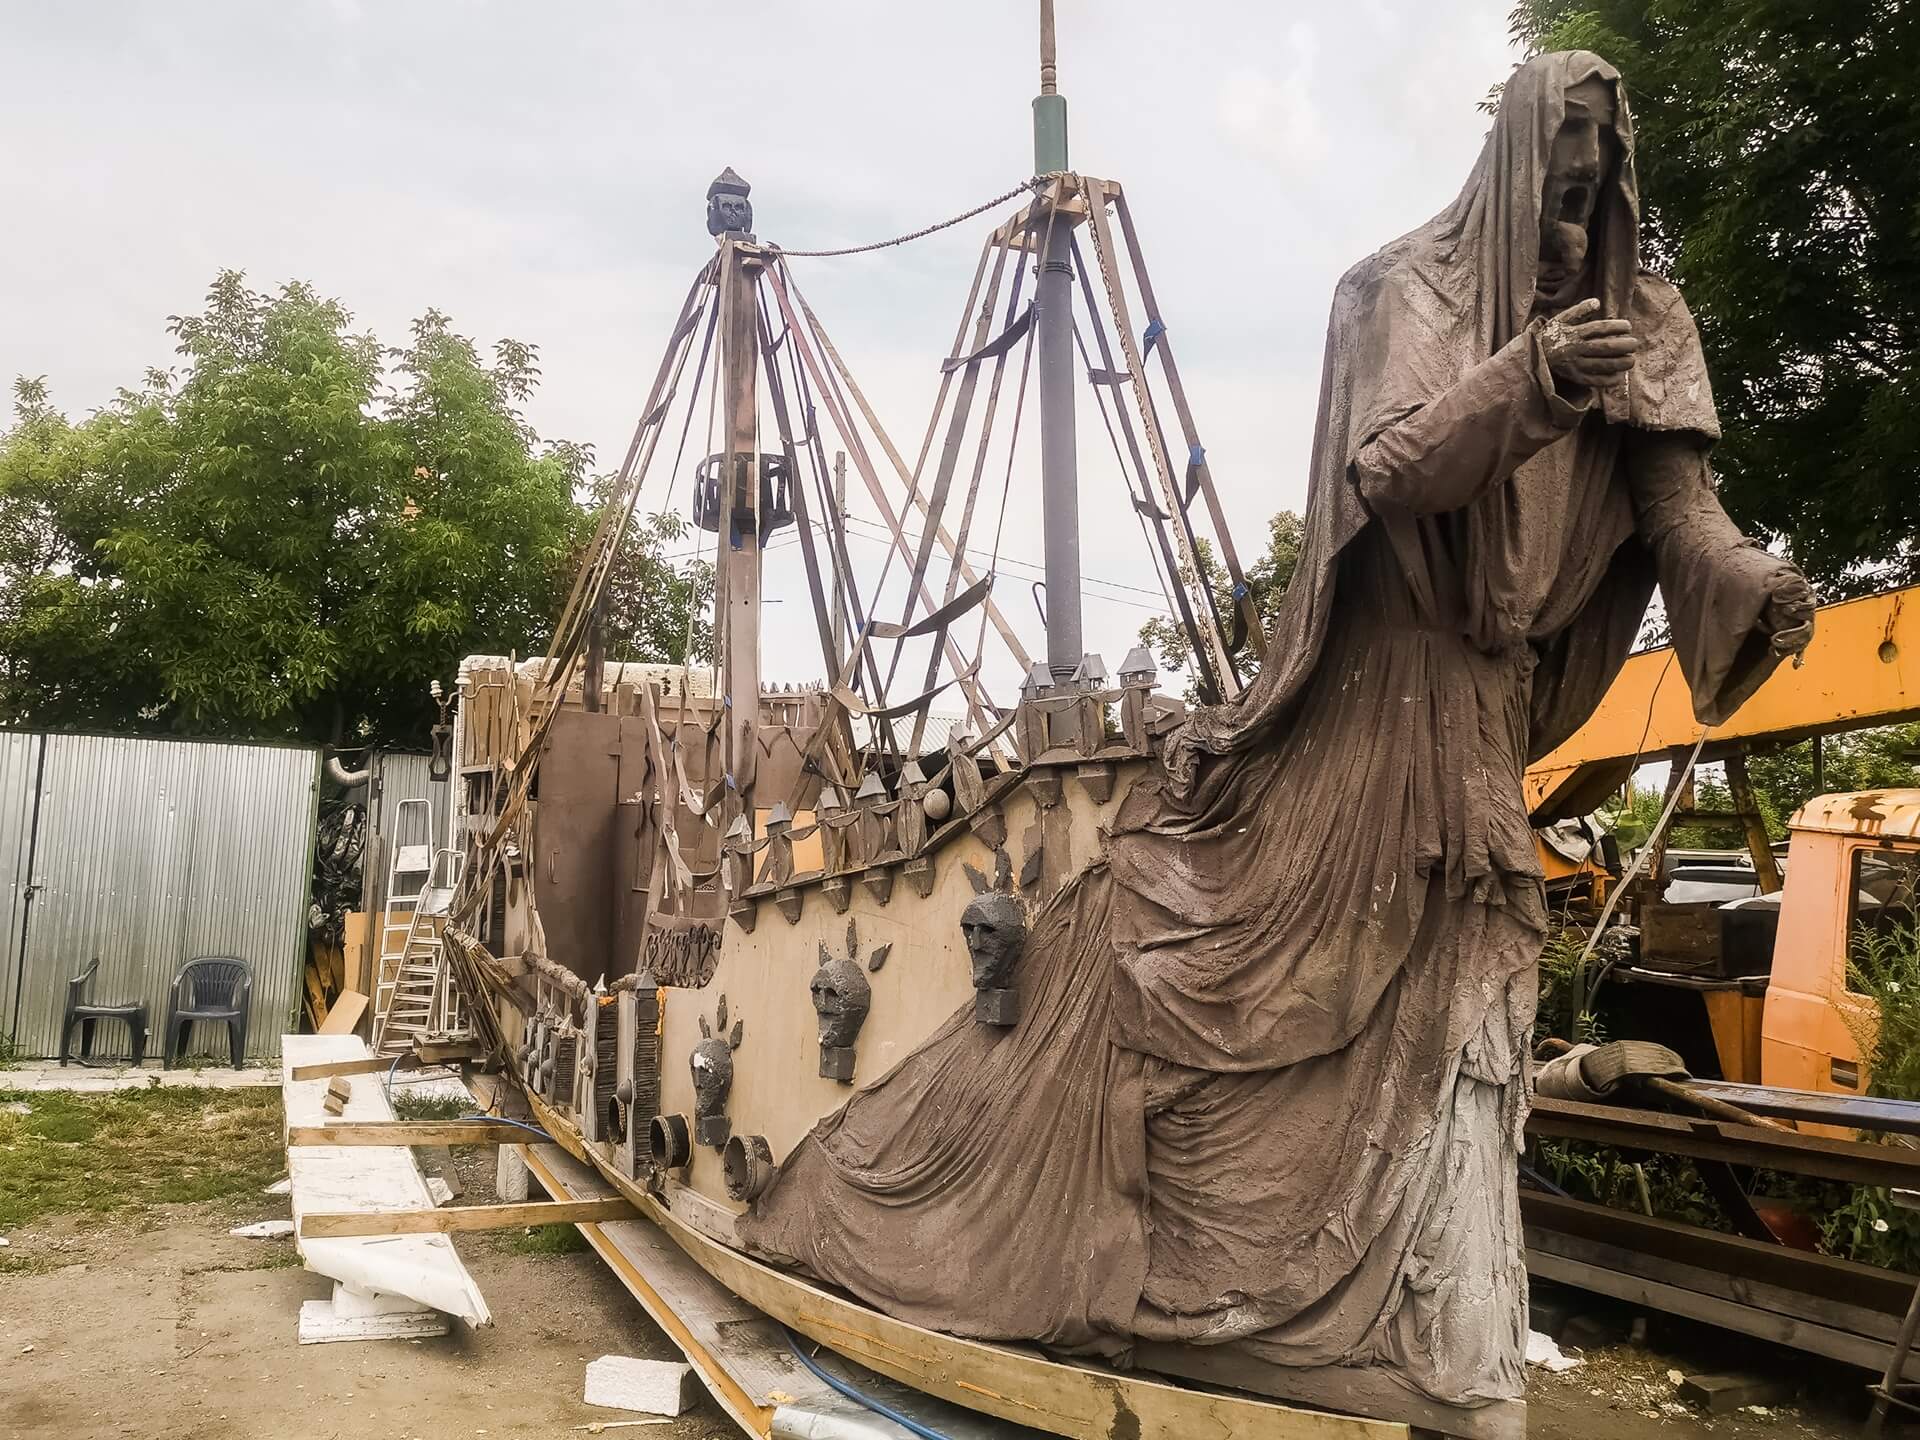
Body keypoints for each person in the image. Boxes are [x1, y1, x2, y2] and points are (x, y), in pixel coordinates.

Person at [742, 51, 1813, 1433]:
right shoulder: (1405, 291)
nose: (1582, 188)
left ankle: (1439, 1342)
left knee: (1464, 1013)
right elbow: (1391, 467)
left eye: (1601, 168)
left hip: (1482, 723)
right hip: (1367, 713)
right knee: (1215, 960)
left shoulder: (1640, 320)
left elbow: (1681, 519)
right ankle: (1272, 1313)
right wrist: (1531, 382)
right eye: (1562, 159)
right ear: (1512, 160)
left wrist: (1751, 582)